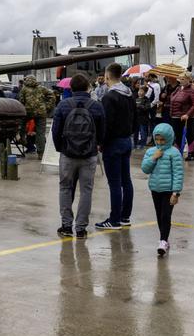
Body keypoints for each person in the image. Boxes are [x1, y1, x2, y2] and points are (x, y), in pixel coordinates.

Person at [52, 74, 105, 239]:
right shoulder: (96, 106)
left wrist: (60, 148)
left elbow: (56, 130)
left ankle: (66, 226)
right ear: (88, 88)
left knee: (65, 188)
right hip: (89, 154)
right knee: (86, 190)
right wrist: (98, 145)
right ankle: (81, 228)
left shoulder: (63, 105)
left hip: (67, 154)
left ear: (71, 88)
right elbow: (102, 130)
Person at [96, 62, 137, 230]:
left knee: (114, 182)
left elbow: (107, 124)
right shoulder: (129, 94)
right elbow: (135, 118)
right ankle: (125, 216)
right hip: (127, 140)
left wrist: (101, 142)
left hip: (113, 143)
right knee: (126, 180)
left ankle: (114, 219)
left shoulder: (109, 97)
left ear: (107, 76)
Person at [141, 123, 184, 257]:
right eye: (157, 139)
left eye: (162, 140)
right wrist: (154, 157)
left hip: (168, 191)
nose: (159, 142)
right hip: (155, 189)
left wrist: (176, 192)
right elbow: (145, 169)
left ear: (169, 138)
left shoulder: (174, 153)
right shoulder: (151, 151)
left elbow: (178, 173)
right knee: (159, 216)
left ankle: (163, 241)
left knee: (166, 215)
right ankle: (164, 238)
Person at [17, 75, 55, 159]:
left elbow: (21, 101)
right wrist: (47, 107)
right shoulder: (42, 88)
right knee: (40, 133)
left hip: (27, 112)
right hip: (41, 113)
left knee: (22, 126)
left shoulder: (24, 89)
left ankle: (22, 139)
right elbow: (52, 95)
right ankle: (41, 153)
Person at [169, 71, 194, 161]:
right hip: (175, 116)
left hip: (187, 117)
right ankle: (178, 153)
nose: (180, 80)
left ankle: (191, 153)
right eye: (180, 78)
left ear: (188, 80)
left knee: (189, 135)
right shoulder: (178, 89)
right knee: (177, 135)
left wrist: (187, 114)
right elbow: (172, 99)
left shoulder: (191, 90)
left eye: (183, 79)